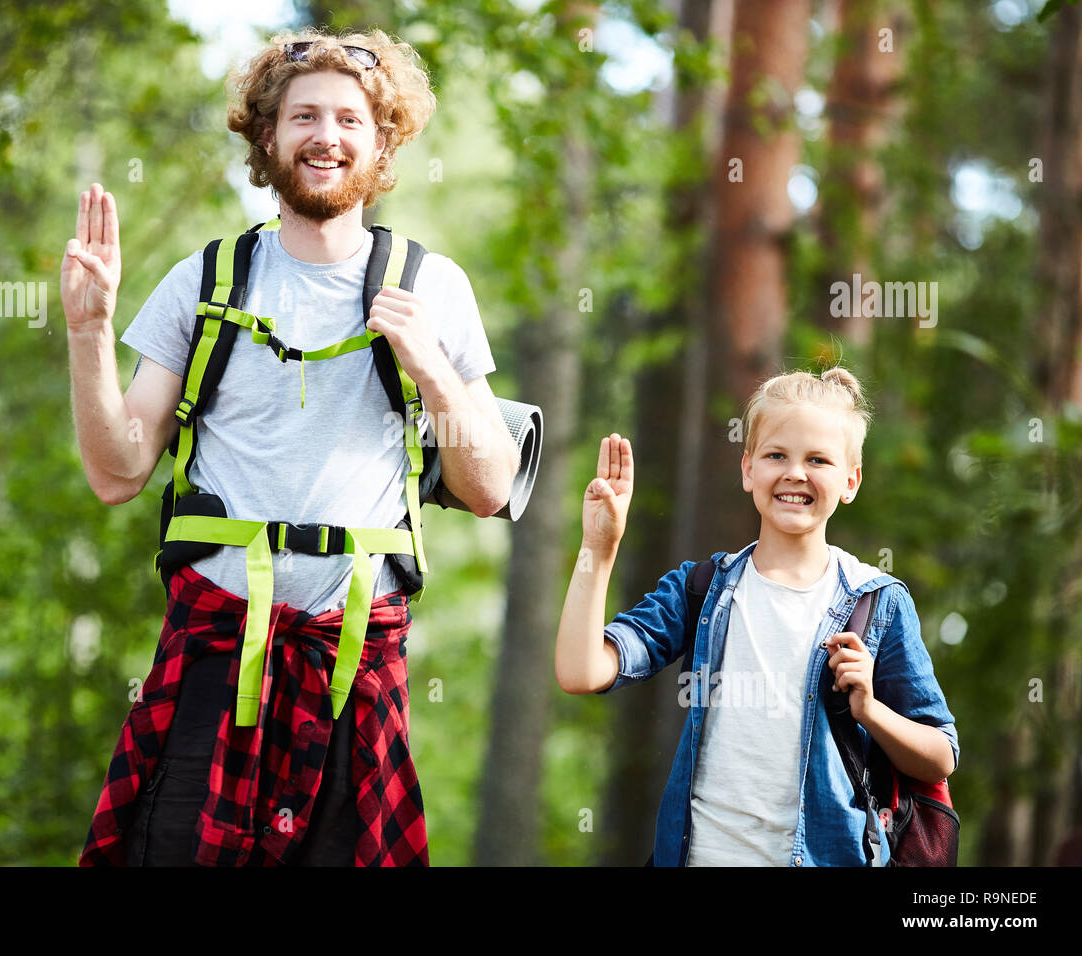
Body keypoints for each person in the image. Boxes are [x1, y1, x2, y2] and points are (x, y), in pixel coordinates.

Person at [63, 28, 518, 866]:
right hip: (212, 658)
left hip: (357, 668)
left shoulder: (432, 286)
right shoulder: (203, 281)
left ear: (383, 140)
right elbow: (116, 471)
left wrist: (432, 369)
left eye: (350, 119)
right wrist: (89, 329)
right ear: (267, 135)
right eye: (304, 115)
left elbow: (488, 488)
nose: (326, 136)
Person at [554, 367, 959, 866]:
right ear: (748, 470)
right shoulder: (700, 589)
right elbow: (579, 671)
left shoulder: (877, 602)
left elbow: (940, 755)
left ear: (850, 480)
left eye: (818, 459)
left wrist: (870, 710)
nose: (794, 473)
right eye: (775, 455)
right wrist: (599, 545)